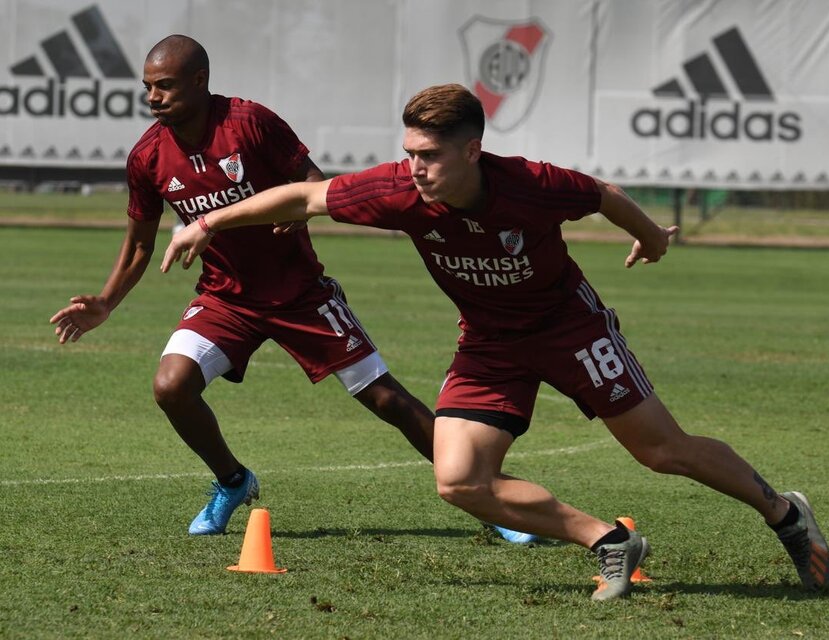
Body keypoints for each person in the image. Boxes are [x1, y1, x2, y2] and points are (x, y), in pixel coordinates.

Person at [161, 83, 829, 599]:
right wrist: (208, 224)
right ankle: (608, 542)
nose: (414, 168)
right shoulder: (397, 193)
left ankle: (783, 513)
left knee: (663, 451)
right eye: (408, 154)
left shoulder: (532, 185)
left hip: (568, 328)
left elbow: (600, 194)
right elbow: (304, 198)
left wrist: (651, 235)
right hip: (489, 344)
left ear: (472, 150)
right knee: (457, 482)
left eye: (428, 155)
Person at [49, 40, 534, 544]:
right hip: (225, 298)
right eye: (147, 87)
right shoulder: (148, 155)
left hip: (301, 295)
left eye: (164, 85)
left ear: (199, 81)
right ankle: (233, 482)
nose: (153, 97)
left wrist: (297, 211)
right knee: (171, 386)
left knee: (388, 400)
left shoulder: (248, 123)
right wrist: (105, 302)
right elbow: (139, 245)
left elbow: (311, 181)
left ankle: (489, 499)